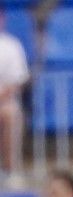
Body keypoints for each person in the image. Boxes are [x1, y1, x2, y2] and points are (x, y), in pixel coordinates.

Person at [0, 4, 26, 186]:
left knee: (12, 113)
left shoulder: (12, 45)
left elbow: (18, 81)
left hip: (5, 101)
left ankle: (10, 170)